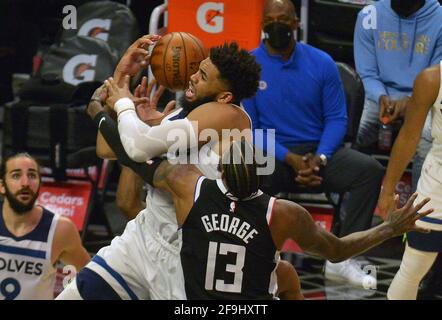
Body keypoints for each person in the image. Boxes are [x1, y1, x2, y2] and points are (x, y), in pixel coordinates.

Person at [75, 133, 431, 299]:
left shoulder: (191, 187)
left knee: (287, 275)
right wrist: (389, 227)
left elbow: (132, 153)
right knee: (287, 276)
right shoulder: (284, 214)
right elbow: (336, 250)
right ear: (264, 173)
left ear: (221, 172)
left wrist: (107, 112)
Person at [57, 39, 262, 299]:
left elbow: (138, 147)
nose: (193, 78)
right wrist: (122, 78)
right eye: (197, 70)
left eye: (203, 76)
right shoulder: (179, 116)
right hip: (143, 239)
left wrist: (125, 109)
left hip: (186, 258)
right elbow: (107, 148)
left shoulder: (230, 116)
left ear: (225, 96)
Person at [241, 0, 384, 286]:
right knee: (244, 167)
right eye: (270, 20)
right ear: (261, 25)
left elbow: (336, 119)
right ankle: (255, 251)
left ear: (296, 23)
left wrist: (320, 158)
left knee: (367, 171)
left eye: (283, 18)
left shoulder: (321, 62)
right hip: (273, 152)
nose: (276, 25)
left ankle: (344, 258)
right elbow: (250, 128)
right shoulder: (250, 66)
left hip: (318, 152)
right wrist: (289, 158)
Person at [354, 0, 442, 191]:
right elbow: (367, 73)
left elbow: (436, 76)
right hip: (377, 95)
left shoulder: (440, 19)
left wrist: (411, 101)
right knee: (352, 129)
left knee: (428, 137)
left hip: (424, 99)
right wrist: (381, 96)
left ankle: (419, 204)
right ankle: (345, 204)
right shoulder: (369, 16)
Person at [377, 62, 442, 300]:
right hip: (438, 182)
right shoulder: (432, 79)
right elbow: (409, 135)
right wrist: (388, 189)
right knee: (413, 267)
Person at [0, 153, 90, 300]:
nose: (25, 183)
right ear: (2, 186)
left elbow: (92, 276)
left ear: (40, 183)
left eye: (32, 176)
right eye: (16, 176)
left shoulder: (61, 230)